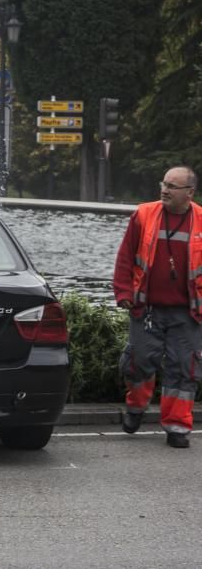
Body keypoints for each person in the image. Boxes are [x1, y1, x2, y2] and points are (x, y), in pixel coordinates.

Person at [113, 165, 202, 449]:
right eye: (163, 184)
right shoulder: (143, 214)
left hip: (188, 313)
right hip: (147, 308)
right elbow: (125, 257)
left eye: (171, 186)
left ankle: (177, 428)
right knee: (139, 363)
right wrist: (124, 292)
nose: (164, 189)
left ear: (189, 192)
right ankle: (135, 409)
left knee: (183, 369)